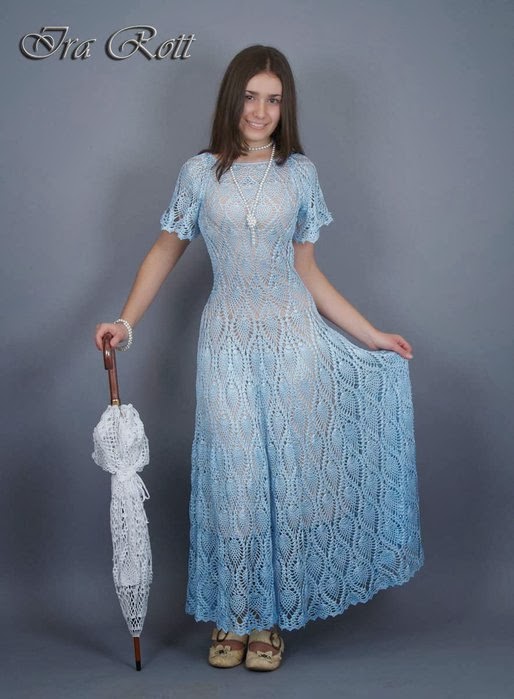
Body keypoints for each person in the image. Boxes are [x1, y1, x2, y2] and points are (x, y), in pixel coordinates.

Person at [95, 44, 424, 672]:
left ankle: (270, 619)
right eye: (250, 96)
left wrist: (372, 334)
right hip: (226, 340)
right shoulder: (199, 173)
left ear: (285, 107)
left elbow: (309, 272)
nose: (260, 111)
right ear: (232, 99)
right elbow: (164, 250)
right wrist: (125, 323)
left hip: (294, 340)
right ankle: (235, 613)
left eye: (274, 100)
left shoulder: (300, 174)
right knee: (236, 477)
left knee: (287, 480)